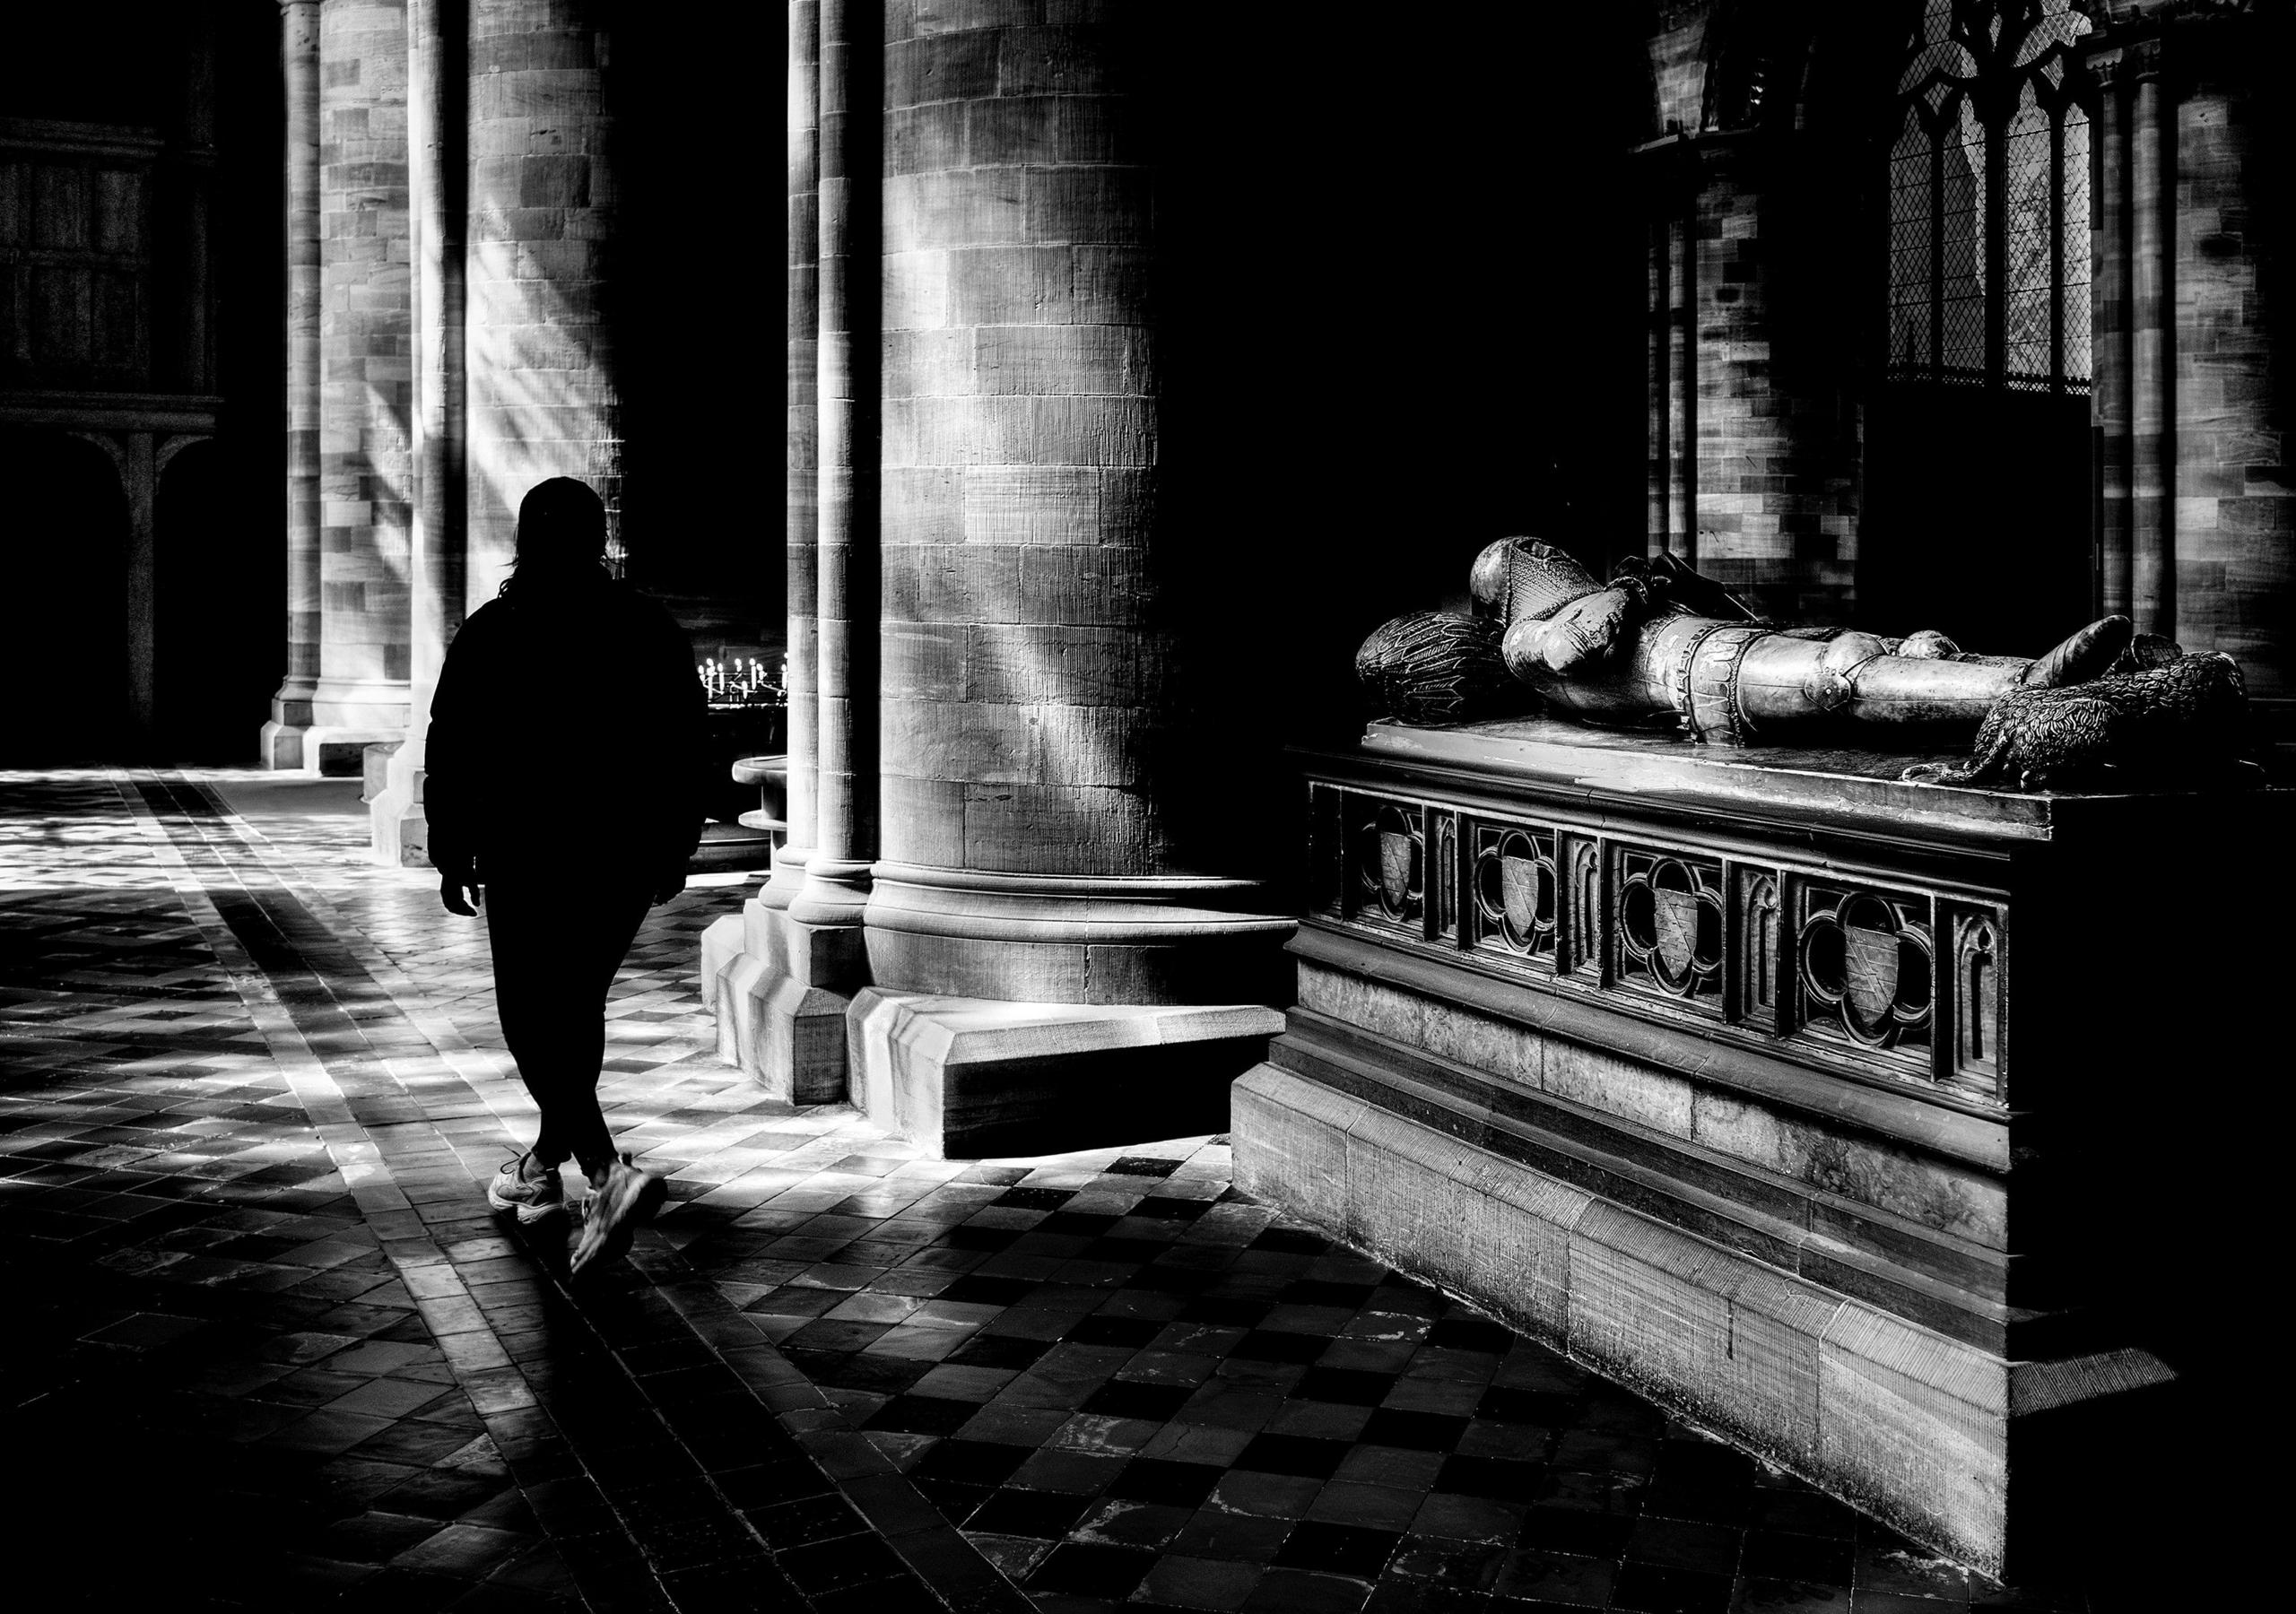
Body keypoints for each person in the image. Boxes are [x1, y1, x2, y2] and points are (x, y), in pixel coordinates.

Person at [424, 478, 706, 1274]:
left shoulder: (492, 631)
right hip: (618, 852)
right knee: (575, 1007)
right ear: (599, 539)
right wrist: (675, 846)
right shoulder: (646, 626)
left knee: (531, 1014)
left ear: (524, 541)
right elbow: (687, 740)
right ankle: (547, 1161)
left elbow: (452, 747)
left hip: (528, 848)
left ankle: (607, 1171)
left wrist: (453, 848)